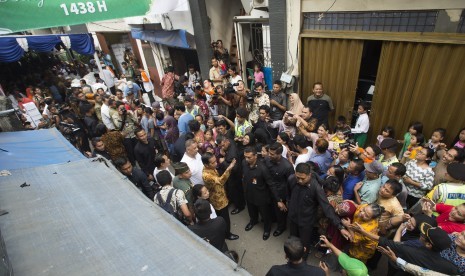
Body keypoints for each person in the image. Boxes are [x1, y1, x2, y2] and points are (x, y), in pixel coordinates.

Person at [288, 163, 352, 260]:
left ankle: (302, 262)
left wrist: (340, 227)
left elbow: (327, 208)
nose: (300, 181)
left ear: (309, 175)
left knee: (304, 244)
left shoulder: (316, 188)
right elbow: (288, 194)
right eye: (298, 177)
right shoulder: (292, 179)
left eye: (303, 178)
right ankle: (291, 258)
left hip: (306, 222)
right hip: (293, 218)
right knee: (292, 240)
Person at [202, 152, 239, 240]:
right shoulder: (206, 175)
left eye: (215, 161)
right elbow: (220, 181)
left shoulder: (209, 168)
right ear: (206, 164)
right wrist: (229, 168)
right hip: (218, 200)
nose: (216, 163)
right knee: (224, 219)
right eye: (213, 163)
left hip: (220, 194)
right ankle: (227, 234)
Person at [242, 146, 274, 240]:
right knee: (251, 211)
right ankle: (253, 221)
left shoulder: (262, 168)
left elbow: (270, 184)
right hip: (249, 193)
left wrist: (278, 199)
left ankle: (267, 229)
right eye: (245, 157)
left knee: (265, 214)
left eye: (249, 157)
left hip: (261, 196)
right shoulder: (244, 163)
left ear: (256, 156)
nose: (246, 159)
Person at [265, 143, 295, 237]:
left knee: (280, 213)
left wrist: (283, 200)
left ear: (279, 154)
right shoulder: (267, 159)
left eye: (272, 154)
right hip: (269, 189)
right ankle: (273, 219)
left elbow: (290, 184)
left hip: (280, 193)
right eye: (269, 153)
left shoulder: (287, 167)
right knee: (270, 208)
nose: (269, 155)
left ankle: (281, 227)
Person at [216, 135, 245, 214]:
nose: (222, 147)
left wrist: (223, 162)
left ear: (226, 141)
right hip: (234, 174)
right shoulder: (229, 141)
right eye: (220, 146)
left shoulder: (232, 153)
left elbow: (234, 168)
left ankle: (239, 206)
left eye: (223, 145)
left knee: (236, 191)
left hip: (234, 176)